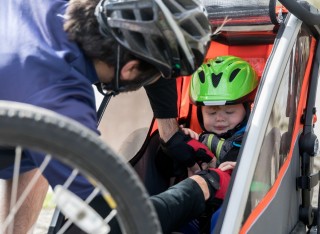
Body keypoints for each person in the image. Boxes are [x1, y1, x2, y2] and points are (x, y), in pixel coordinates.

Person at [0, 0, 212, 232]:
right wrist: (195, 190)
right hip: (34, 101)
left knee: (40, 147)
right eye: (154, 74)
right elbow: (112, 217)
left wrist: (169, 130)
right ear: (130, 69)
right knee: (52, 143)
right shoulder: (65, 104)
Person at [160, 55, 259, 233]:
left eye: (229, 111)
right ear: (200, 113)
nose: (220, 118)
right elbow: (165, 169)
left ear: (247, 109)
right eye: (211, 113)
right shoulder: (198, 139)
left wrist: (245, 170)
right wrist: (183, 144)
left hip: (232, 211)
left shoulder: (253, 140)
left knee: (220, 217)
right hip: (194, 211)